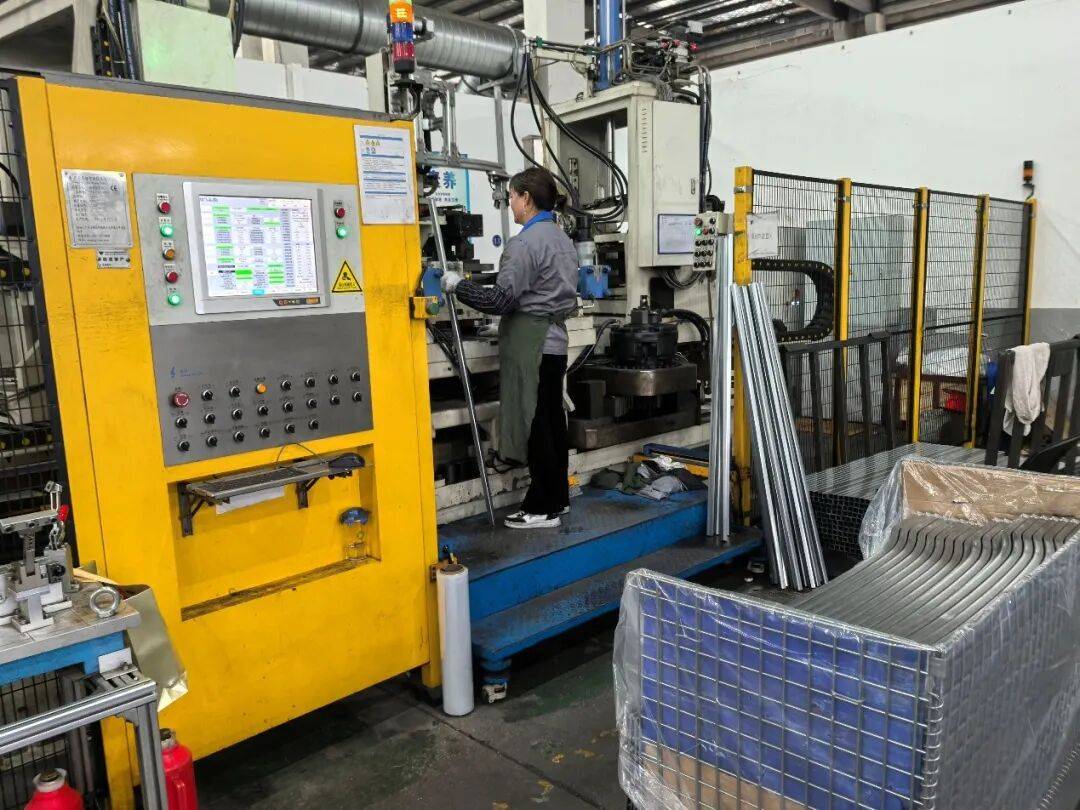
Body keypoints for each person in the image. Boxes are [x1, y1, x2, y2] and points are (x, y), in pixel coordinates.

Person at [441, 167, 578, 530]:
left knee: (534, 423)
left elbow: (500, 300)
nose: (511, 203)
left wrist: (458, 285)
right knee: (552, 422)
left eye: (513, 197)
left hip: (532, 345)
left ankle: (541, 508)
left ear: (526, 199)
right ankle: (557, 498)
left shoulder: (524, 243)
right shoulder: (562, 239)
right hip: (554, 340)